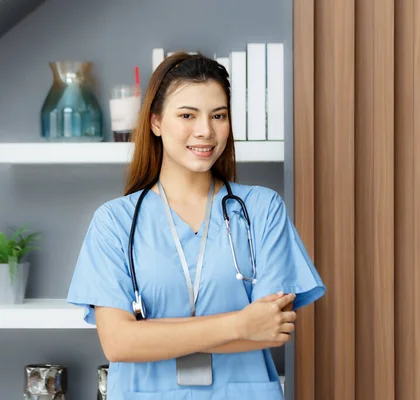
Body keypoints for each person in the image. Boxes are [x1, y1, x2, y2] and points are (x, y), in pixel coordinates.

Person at [66, 52, 325, 400]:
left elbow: (269, 330)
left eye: (218, 115)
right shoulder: (114, 222)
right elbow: (117, 343)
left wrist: (152, 336)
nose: (205, 131)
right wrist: (238, 323)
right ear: (156, 122)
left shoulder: (262, 209)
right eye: (187, 115)